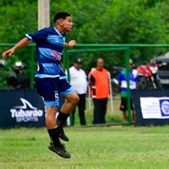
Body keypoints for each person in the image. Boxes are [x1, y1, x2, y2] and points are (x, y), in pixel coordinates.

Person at [2, 12, 79, 158]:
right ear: (60, 22)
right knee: (51, 109)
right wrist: (13, 49)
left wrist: (68, 45)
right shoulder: (47, 32)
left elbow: (58, 44)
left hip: (58, 75)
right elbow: (29, 38)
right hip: (46, 77)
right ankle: (55, 144)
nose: (72, 23)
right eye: (69, 21)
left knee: (74, 98)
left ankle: (59, 127)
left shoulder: (61, 36)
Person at [89, 58, 111, 124]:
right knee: (97, 110)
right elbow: (90, 84)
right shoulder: (93, 73)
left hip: (105, 94)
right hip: (97, 95)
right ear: (97, 64)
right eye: (99, 63)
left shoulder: (106, 72)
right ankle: (96, 122)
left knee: (103, 109)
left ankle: (102, 121)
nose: (100, 64)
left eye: (102, 63)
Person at [68, 58, 88, 126]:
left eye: (80, 64)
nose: (78, 65)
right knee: (72, 110)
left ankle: (83, 124)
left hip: (82, 93)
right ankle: (71, 123)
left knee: (82, 110)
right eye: (77, 63)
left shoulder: (82, 71)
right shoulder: (70, 71)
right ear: (74, 63)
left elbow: (85, 81)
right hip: (74, 93)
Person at [118, 59, 138, 123]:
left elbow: (137, 81)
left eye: (131, 64)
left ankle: (133, 119)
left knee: (134, 107)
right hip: (125, 92)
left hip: (133, 92)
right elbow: (119, 82)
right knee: (124, 107)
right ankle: (125, 119)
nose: (130, 66)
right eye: (129, 65)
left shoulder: (135, 72)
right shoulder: (122, 72)